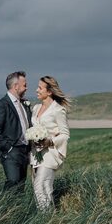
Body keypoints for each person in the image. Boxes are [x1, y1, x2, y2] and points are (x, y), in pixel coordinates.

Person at [29, 76, 70, 213]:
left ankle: (44, 218)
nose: (36, 90)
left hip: (50, 154)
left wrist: (50, 141)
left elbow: (65, 134)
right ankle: (49, 216)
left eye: (40, 88)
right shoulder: (35, 108)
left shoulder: (58, 110)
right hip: (35, 154)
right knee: (45, 186)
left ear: (49, 91)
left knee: (38, 185)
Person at [0, 71, 31, 191]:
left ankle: (17, 210)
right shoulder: (2, 105)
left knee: (21, 186)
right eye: (24, 85)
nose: (27, 88)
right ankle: (4, 208)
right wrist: (9, 148)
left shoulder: (24, 104)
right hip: (11, 152)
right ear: (16, 86)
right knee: (13, 183)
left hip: (24, 151)